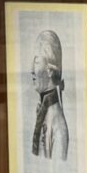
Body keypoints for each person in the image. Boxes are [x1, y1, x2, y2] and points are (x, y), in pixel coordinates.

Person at [31, 29, 69, 160]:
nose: (32, 70)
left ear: (49, 71)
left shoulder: (58, 125)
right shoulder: (43, 112)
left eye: (36, 63)